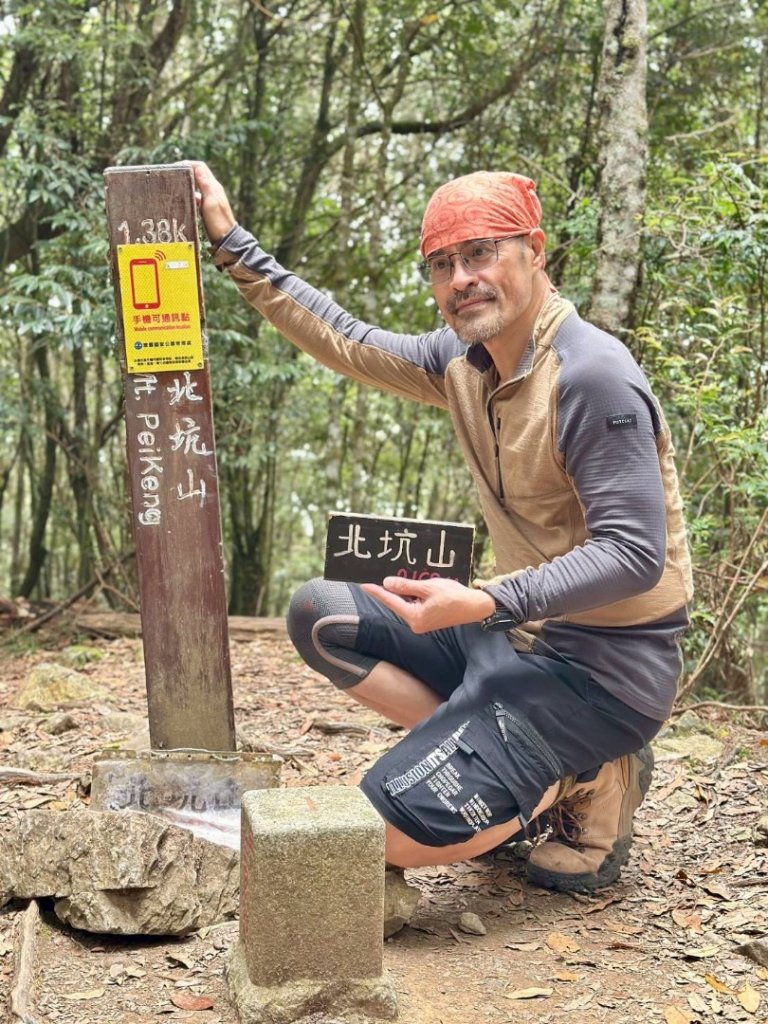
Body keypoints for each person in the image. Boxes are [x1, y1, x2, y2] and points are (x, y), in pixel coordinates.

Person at [190, 162, 692, 892]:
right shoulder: (464, 360)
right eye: (443, 263)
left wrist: (488, 599)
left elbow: (635, 553)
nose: (462, 278)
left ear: (535, 251)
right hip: (511, 636)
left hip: (601, 670)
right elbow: (346, 339)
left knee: (382, 824)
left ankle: (588, 772)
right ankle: (488, 747)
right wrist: (233, 242)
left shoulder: (591, 376)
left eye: (481, 252)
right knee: (321, 614)